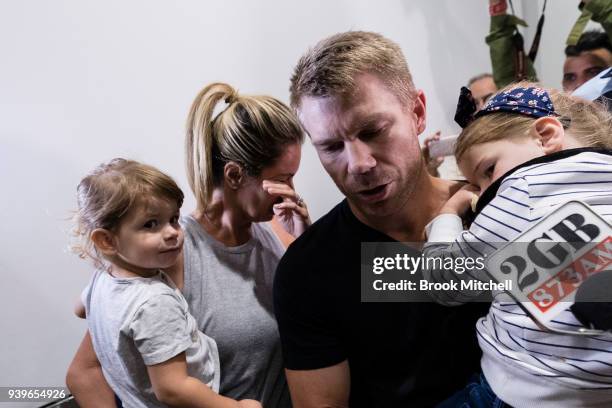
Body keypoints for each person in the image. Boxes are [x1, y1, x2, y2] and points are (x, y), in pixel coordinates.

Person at [273, 31, 489, 407]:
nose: (359, 165)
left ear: (417, 113)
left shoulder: (497, 212)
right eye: (331, 147)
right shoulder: (308, 272)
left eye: (373, 131)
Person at [66, 82, 309, 408]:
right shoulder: (169, 253)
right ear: (235, 175)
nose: (291, 190)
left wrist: (308, 245)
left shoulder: (282, 229)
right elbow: (86, 371)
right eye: (283, 178)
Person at [423, 83, 612, 407]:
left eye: (487, 170)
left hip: (519, 388)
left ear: (546, 136)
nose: (482, 194)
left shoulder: (522, 188)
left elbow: (445, 281)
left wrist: (448, 213)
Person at [72, 158, 261, 408]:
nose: (173, 232)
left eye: (173, 219)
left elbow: (80, 308)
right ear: (107, 241)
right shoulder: (154, 303)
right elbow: (173, 388)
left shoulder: (104, 279)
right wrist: (236, 407)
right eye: (150, 224)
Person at [487, 0, 612, 91]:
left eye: (594, 73)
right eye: (570, 77)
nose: (580, 85)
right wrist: (498, 9)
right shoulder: (552, 124)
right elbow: (514, 87)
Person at [422, 73, 498, 178]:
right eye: (474, 103)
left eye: (489, 99)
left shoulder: (523, 135)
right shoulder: (462, 156)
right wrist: (431, 170)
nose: (481, 107)